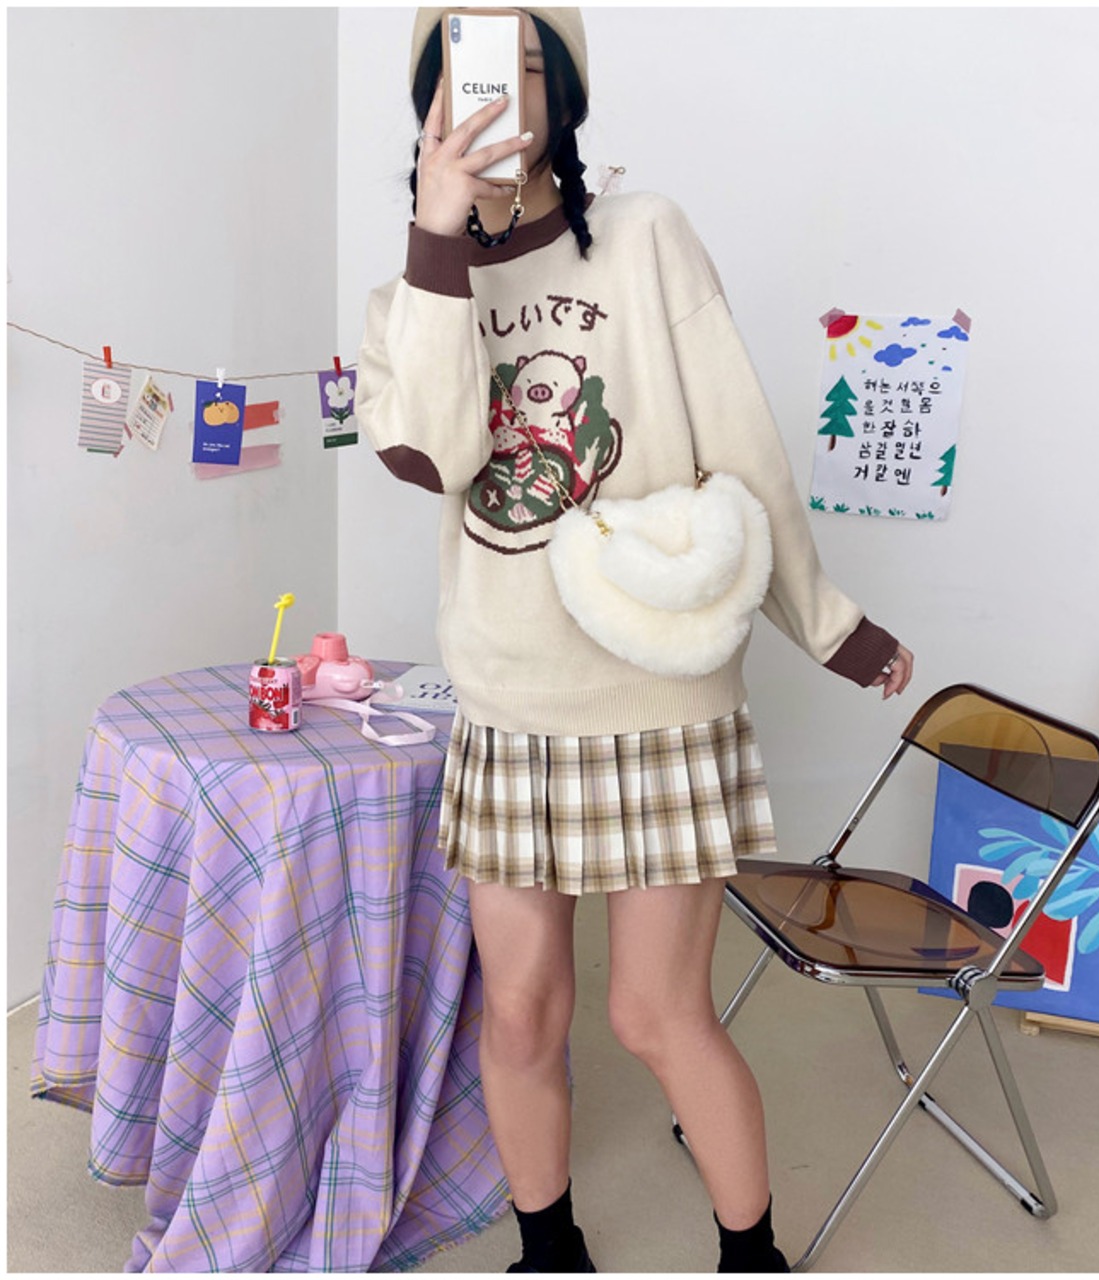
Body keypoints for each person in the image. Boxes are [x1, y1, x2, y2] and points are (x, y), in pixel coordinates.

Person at [355, 9, 915, 1272]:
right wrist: (438, 236)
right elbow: (435, 453)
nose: (501, 98)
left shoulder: (648, 235)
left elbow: (741, 438)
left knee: (656, 1012)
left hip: (660, 694)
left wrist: (828, 622)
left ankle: (750, 1253)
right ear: (429, 106)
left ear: (565, 97)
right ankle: (547, 1247)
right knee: (520, 1011)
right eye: (467, 77)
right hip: (509, 700)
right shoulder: (405, 299)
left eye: (528, 70)